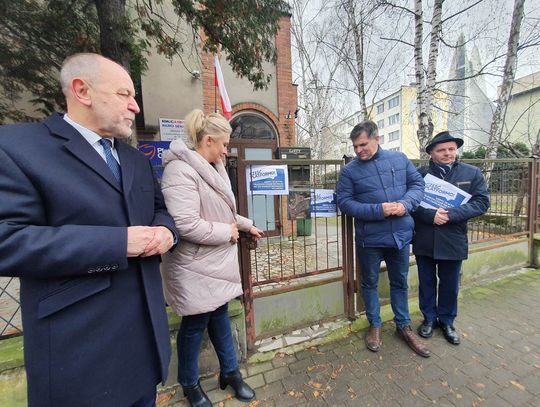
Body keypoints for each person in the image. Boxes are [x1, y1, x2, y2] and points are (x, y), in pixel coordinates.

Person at [0, 53, 177, 407]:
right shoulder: (18, 147)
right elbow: (8, 240)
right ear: (82, 91)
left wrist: (167, 233)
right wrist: (118, 243)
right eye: (124, 94)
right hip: (80, 358)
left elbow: (160, 211)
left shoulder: (135, 160)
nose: (135, 106)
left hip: (144, 350)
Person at [160, 109, 263, 407]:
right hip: (193, 265)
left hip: (212, 263)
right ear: (207, 140)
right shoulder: (180, 171)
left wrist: (246, 225)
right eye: (224, 144)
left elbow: (224, 213)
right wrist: (229, 233)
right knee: (194, 326)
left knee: (219, 316)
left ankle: (230, 373)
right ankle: (190, 385)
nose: (226, 150)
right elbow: (185, 224)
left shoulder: (212, 167)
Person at [337, 120, 430, 358]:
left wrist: (405, 204)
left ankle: (404, 326)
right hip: (370, 240)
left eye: (363, 144)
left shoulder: (399, 160)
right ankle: (375, 325)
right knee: (369, 283)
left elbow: (417, 185)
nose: (358, 150)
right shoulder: (349, 171)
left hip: (400, 236)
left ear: (377, 139)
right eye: (355, 146)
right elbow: (344, 203)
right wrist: (380, 210)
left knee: (400, 282)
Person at [413, 131, 489, 345]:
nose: (447, 153)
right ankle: (429, 319)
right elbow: (411, 203)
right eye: (441, 150)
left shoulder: (472, 173)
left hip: (453, 239)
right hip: (425, 238)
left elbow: (481, 202)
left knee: (450, 284)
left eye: (451, 149)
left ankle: (447, 321)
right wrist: (430, 215)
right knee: (426, 283)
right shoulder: (419, 175)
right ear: (431, 153)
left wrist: (451, 215)